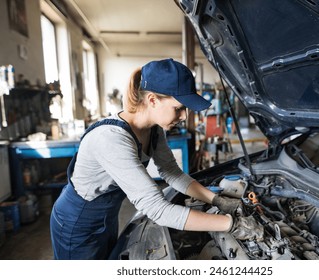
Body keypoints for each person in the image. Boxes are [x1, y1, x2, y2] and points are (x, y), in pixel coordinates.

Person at [50, 58, 263, 259]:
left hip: (107, 215)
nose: (183, 117)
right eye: (178, 108)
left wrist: (217, 200)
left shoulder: (154, 130)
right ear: (152, 100)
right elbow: (157, 209)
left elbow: (171, 172)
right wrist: (230, 224)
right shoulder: (111, 139)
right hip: (77, 222)